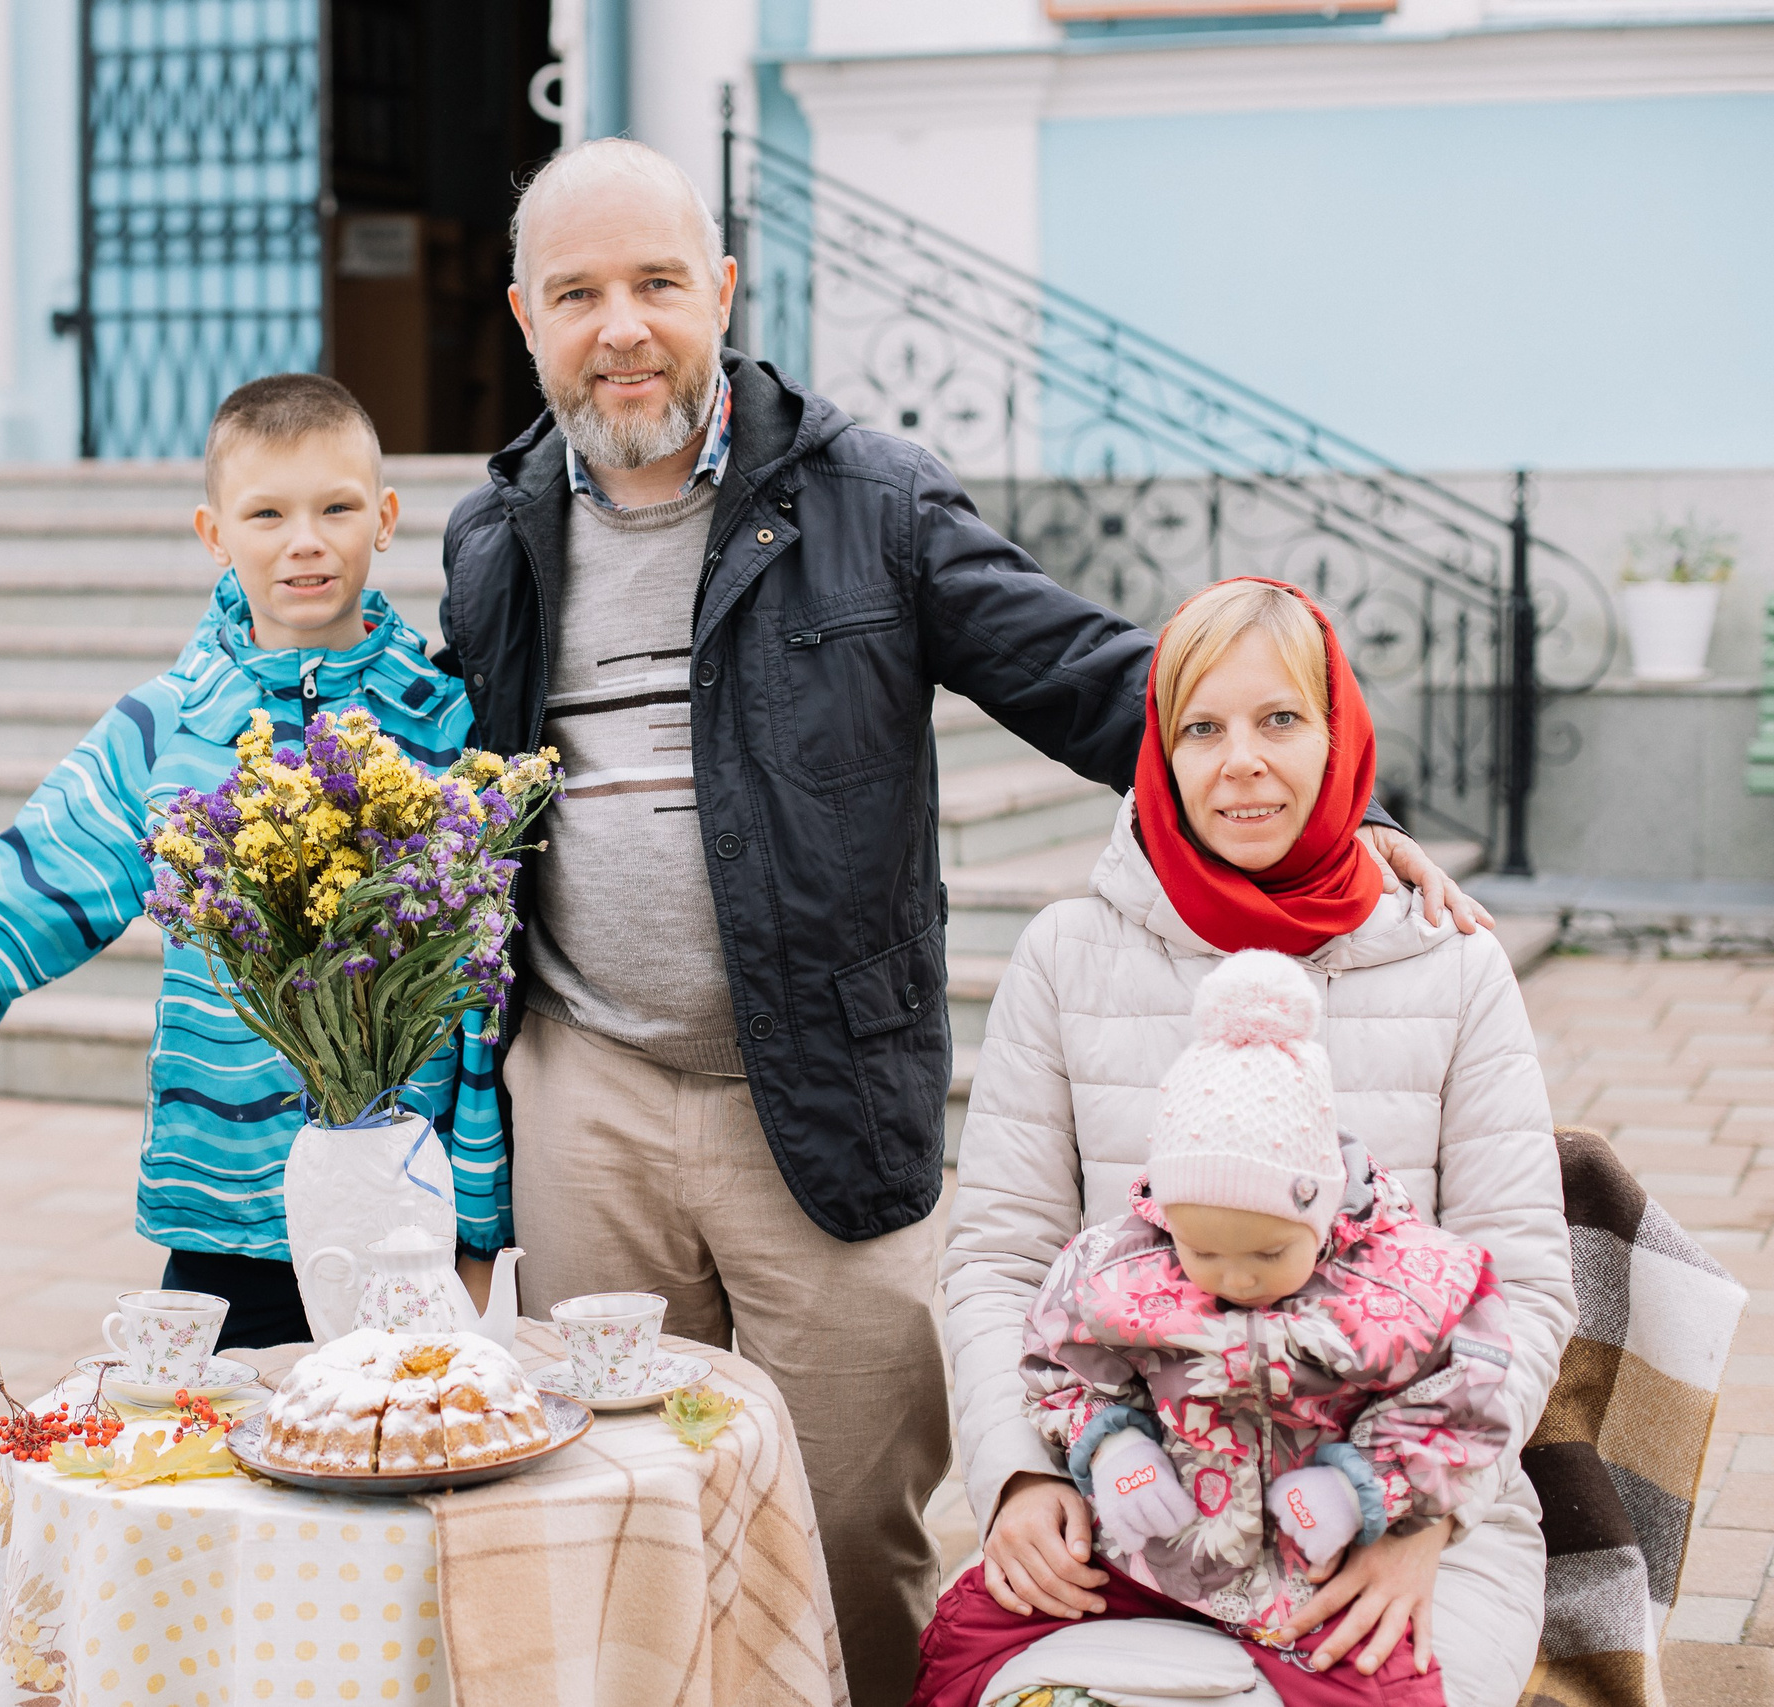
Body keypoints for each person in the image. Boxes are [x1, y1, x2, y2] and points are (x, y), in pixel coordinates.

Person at [432, 138, 1484, 1706]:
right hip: (585, 1089)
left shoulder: (871, 498)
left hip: (820, 1095)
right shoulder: (495, 533)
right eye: (578, 294)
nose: (623, 326)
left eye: (658, 282)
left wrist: (1344, 809)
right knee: (615, 1506)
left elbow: (1094, 677)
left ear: (723, 289)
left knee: (849, 1527)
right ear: (527, 317)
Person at [942, 578, 1573, 1707]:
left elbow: (1521, 1284)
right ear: (1158, 750)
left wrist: (1415, 1519)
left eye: (1280, 719)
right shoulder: (1065, 954)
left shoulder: (1452, 962)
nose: (1241, 762)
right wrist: (1022, 1476)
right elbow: (998, 1259)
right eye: (1202, 728)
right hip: (1126, 1486)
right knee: (965, 1670)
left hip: (1400, 1507)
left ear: (1338, 736)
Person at [0, 374, 503, 1349]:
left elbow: (482, 989)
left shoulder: (448, 724)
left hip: (409, 1205)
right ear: (214, 533)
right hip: (228, 1208)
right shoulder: (167, 729)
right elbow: (24, 889)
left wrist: (482, 1218)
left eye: (336, 508)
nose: (305, 541)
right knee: (223, 1439)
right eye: (267, 514)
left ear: (385, 517)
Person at [917, 950, 1515, 1707]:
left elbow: (1463, 1398)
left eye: (1268, 1253)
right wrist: (1113, 1447)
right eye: (1204, 1251)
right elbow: (1056, 1362)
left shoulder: (1402, 1280)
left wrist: (1362, 1487)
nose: (1236, 1278)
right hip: (1147, 1547)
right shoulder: (1121, 1265)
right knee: (968, 1627)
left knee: (1387, 1687)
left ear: (1323, 1209)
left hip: (1311, 1569)